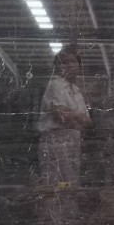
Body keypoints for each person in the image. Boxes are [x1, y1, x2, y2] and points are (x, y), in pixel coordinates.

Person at [38, 47, 91, 189]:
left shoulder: (77, 91)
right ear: (58, 66)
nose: (69, 65)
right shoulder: (54, 85)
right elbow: (61, 115)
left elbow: (88, 121)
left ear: (79, 65)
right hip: (56, 139)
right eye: (64, 62)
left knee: (71, 183)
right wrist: (76, 117)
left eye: (73, 61)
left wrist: (71, 115)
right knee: (55, 185)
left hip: (73, 139)